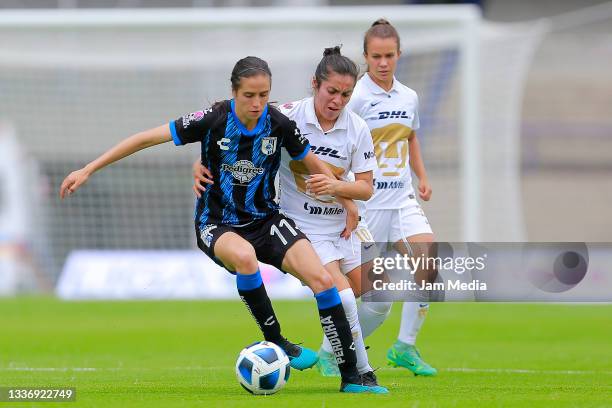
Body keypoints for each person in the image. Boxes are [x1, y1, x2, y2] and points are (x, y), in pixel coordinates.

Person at [59, 56, 379, 393]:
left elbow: (312, 163)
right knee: (244, 258)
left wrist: (345, 198)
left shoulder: (279, 123)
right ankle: (277, 340)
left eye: (263, 95)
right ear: (234, 92)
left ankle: (352, 379)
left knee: (324, 281)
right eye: (249, 96)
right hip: (218, 222)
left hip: (266, 218)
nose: (257, 104)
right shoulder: (212, 119)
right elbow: (145, 139)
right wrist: (88, 169)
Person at [192, 48, 388, 394]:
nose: (337, 100)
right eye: (331, 92)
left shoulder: (357, 127)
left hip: (344, 223)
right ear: (315, 84)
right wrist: (200, 163)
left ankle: (331, 351)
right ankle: (360, 372)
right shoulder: (287, 115)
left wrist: (343, 194)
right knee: (340, 296)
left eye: (346, 94)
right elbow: (232, 135)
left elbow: (365, 188)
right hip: (303, 225)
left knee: (380, 298)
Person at [346, 19, 438, 376]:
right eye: (376, 56)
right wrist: (346, 196)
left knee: (428, 261)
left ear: (399, 55)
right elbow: (342, 143)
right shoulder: (355, 97)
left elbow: (410, 137)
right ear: (366, 57)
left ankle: (405, 347)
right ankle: (332, 350)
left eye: (389, 56)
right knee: (373, 296)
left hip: (401, 201)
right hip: (367, 206)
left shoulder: (409, 96)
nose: (383, 63)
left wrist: (423, 176)